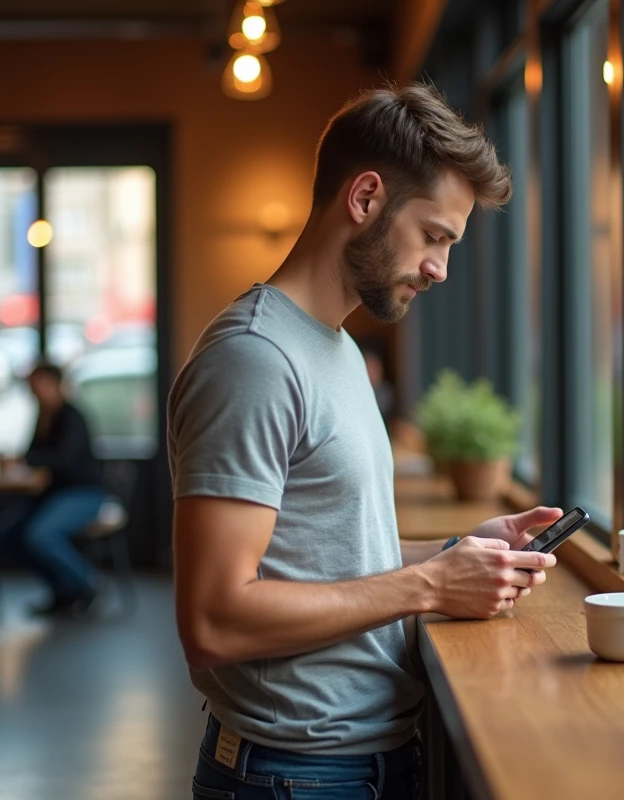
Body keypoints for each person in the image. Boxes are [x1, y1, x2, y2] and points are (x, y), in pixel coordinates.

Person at [170, 82, 562, 800]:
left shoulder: (338, 349)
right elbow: (212, 620)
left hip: (360, 764)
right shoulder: (254, 360)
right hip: (293, 779)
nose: (440, 268)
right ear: (366, 198)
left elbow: (323, 554)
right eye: (434, 236)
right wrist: (430, 584)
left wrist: (455, 552)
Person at [0, 362, 105, 616]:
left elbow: (64, 460)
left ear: (53, 384)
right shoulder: (43, 417)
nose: (33, 392)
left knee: (40, 535)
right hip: (53, 494)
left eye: (37, 386)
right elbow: (37, 456)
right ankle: (63, 589)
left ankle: (87, 583)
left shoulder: (71, 416)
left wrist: (25, 461)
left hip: (84, 494)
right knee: (7, 535)